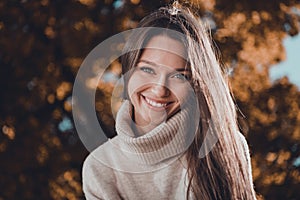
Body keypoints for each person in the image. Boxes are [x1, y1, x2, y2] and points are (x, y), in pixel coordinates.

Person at [82, 2, 257, 200]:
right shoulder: (100, 167)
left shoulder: (227, 147)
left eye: (179, 76)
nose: (159, 88)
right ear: (129, 71)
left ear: (195, 84)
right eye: (147, 69)